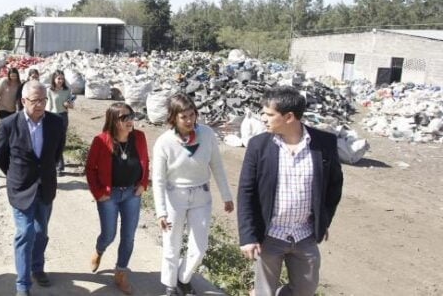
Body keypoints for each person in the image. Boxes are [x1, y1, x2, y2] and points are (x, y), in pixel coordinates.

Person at [237, 86, 343, 296]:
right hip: (269, 235)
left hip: (304, 235)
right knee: (263, 291)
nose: (263, 119)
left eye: (269, 114)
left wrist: (323, 220)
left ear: (289, 117)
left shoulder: (324, 143)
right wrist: (248, 236)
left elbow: (334, 186)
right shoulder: (259, 145)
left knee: (305, 290)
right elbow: (246, 192)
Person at [152, 93, 234, 296]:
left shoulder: (206, 134)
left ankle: (184, 278)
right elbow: (159, 180)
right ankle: (170, 286)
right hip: (174, 198)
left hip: (201, 197)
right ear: (173, 118)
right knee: (172, 244)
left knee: (200, 246)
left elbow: (217, 165)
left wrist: (226, 195)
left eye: (192, 115)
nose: (189, 121)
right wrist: (161, 212)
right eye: (183, 117)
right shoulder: (164, 142)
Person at [0, 80, 66, 296]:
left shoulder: (55, 123)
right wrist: (16, 174)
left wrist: (45, 171)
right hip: (21, 188)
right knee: (25, 232)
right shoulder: (9, 125)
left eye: (43, 100)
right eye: (35, 101)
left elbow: (56, 153)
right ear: (23, 100)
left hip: (45, 188)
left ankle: (37, 267)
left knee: (41, 232)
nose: (40, 104)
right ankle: (22, 284)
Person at [85, 102, 149, 294]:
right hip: (109, 195)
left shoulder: (139, 137)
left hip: (132, 194)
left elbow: (146, 161)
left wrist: (143, 184)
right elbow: (90, 169)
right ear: (113, 120)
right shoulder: (101, 140)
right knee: (109, 234)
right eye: (124, 118)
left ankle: (120, 273)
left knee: (128, 237)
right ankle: (99, 249)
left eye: (131, 116)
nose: (130, 120)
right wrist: (98, 193)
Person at [46, 70, 74, 174]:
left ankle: (59, 166)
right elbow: (46, 104)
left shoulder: (67, 90)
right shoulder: (49, 90)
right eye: (58, 78)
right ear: (54, 79)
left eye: (62, 78)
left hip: (63, 117)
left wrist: (68, 104)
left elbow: (72, 105)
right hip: (51, 116)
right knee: (52, 141)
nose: (60, 80)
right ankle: (53, 164)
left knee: (60, 141)